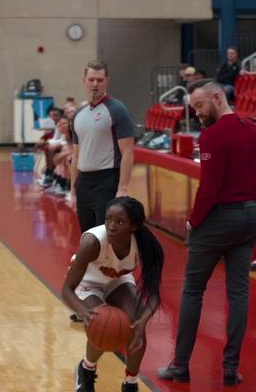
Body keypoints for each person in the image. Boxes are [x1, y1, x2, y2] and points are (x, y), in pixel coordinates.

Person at [157, 79, 256, 386]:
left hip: (219, 218)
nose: (197, 113)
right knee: (238, 292)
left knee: (193, 289)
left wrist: (194, 221)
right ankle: (230, 369)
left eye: (200, 105)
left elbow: (209, 187)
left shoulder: (212, 135)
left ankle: (181, 365)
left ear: (217, 96)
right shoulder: (252, 128)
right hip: (250, 215)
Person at [61, 196, 164, 392]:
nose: (112, 226)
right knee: (102, 324)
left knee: (136, 323)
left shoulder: (145, 245)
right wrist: (83, 312)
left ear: (133, 226)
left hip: (118, 280)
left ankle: (131, 383)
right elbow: (67, 290)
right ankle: (86, 370)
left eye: (119, 221)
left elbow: (154, 295)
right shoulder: (92, 242)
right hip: (87, 284)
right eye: (108, 219)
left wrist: (143, 321)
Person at [70, 59, 135, 233]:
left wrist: (123, 188)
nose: (95, 84)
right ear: (84, 81)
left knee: (105, 235)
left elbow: (128, 152)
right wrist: (73, 189)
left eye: (99, 80)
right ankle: (93, 262)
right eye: (91, 80)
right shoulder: (78, 114)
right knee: (88, 235)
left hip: (107, 182)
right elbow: (76, 155)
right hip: (83, 183)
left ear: (107, 81)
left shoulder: (117, 110)